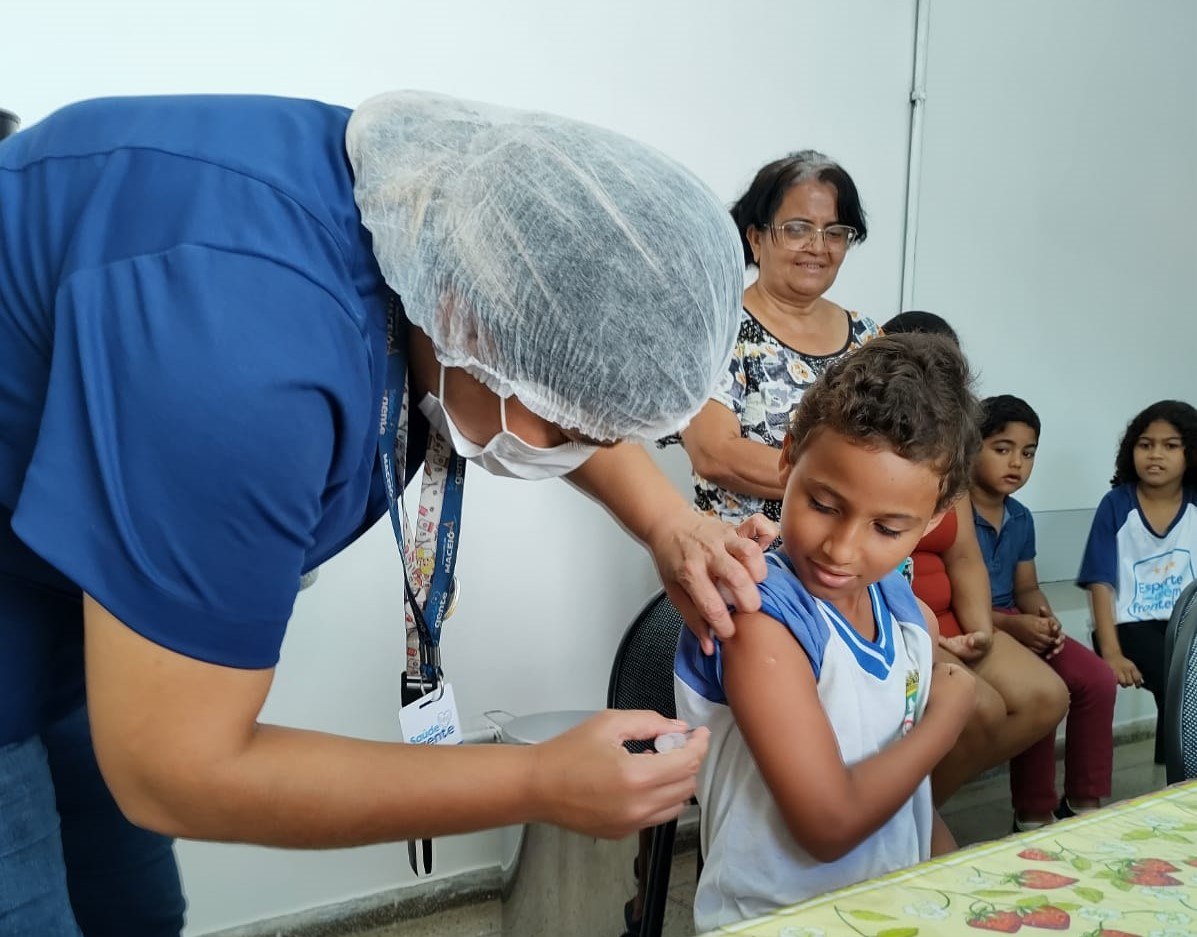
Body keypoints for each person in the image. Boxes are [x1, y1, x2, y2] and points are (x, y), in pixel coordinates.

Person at [0, 91, 771, 935]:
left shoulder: (441, 216)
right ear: (462, 317)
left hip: (68, 565)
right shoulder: (241, 362)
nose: (584, 447)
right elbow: (174, 772)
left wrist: (669, 522)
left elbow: (558, 352)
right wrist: (536, 782)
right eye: (576, 424)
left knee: (134, 904)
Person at [675, 334, 979, 932]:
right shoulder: (761, 620)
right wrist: (951, 713)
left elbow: (906, 792)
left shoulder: (903, 609)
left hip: (890, 908)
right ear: (787, 459)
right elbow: (827, 825)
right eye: (823, 503)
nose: (841, 549)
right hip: (777, 921)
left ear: (934, 520)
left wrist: (951, 877)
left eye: (888, 528)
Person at [881, 312, 1069, 808]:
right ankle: (896, 819)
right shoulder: (869, 442)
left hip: (956, 622)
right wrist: (936, 638)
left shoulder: (951, 451)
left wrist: (982, 628)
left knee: (1047, 697)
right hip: (905, 623)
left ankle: (912, 807)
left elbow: (965, 556)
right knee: (980, 709)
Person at [674, 150, 879, 527]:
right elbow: (715, 454)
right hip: (748, 567)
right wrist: (846, 484)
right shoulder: (718, 327)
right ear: (756, 238)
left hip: (851, 564)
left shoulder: (868, 338)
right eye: (798, 228)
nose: (818, 246)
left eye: (835, 232)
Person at [971, 395, 1116, 829]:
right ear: (968, 447)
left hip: (1015, 619)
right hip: (971, 623)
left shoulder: (1021, 517)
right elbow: (952, 600)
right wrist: (1015, 625)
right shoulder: (951, 511)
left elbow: (1027, 587)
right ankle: (1033, 811)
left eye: (1028, 452)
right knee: (1041, 688)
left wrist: (1044, 618)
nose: (1016, 462)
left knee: (1096, 678)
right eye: (1002, 448)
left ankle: (1084, 803)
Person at [1079, 400, 1197, 764]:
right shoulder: (1116, 504)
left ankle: (1179, 772)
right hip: (1127, 626)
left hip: (1185, 623)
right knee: (1179, 682)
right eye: (1145, 445)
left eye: (1170, 445)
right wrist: (1112, 653)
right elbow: (1101, 583)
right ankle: (1179, 775)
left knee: (1183, 678)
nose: (1155, 455)